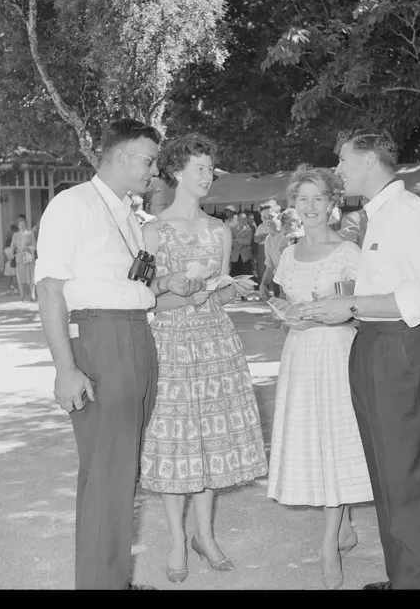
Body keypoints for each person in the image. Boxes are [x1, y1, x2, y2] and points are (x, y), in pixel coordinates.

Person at [35, 118, 202, 590]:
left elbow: (130, 284)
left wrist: (164, 285)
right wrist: (65, 369)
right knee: (107, 473)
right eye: (149, 160)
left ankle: (111, 578)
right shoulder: (73, 205)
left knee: (120, 471)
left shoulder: (128, 215)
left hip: (136, 337)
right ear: (122, 155)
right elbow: (49, 290)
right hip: (102, 341)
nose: (153, 171)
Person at [299, 130, 420, 590]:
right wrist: (344, 299)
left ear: (368, 159)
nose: (338, 169)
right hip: (373, 345)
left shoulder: (407, 211)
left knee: (408, 474)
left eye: (343, 160)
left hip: (399, 347)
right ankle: (404, 575)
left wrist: (352, 307)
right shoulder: (378, 215)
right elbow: (385, 283)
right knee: (385, 470)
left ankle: (416, 582)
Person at [139, 132, 267, 585]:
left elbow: (220, 291)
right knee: (177, 442)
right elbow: (144, 298)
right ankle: (177, 540)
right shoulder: (151, 231)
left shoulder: (221, 229)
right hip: (171, 342)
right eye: (200, 168)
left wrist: (233, 289)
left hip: (215, 341)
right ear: (176, 172)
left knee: (211, 439)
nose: (208, 176)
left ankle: (205, 535)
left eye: (211, 168)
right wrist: (177, 292)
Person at [267, 166, 373, 590]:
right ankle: (344, 525)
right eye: (302, 198)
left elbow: (361, 311)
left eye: (318, 199)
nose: (309, 207)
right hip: (299, 355)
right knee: (314, 441)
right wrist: (285, 315)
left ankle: (329, 542)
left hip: (336, 353)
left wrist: (331, 318)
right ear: (294, 203)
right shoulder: (288, 254)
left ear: (332, 204)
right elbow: (284, 305)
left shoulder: (349, 252)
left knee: (337, 440)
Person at [259, 201, 285, 300]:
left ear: (279, 216)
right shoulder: (268, 240)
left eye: (270, 217)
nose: (267, 221)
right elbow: (270, 267)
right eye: (264, 218)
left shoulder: (289, 235)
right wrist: (263, 284)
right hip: (283, 290)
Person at [12, 215, 37, 302]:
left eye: (23, 224)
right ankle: (22, 295)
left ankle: (32, 295)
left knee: (30, 277)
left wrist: (27, 247)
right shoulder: (15, 235)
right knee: (20, 277)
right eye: (20, 224)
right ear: (18, 225)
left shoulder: (30, 233)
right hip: (19, 258)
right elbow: (12, 246)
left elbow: (34, 245)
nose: (22, 226)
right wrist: (12, 253)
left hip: (28, 257)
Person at [230, 211, 254, 276]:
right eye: (242, 218)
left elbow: (248, 241)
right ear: (238, 219)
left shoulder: (249, 229)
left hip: (246, 257)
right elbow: (231, 241)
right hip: (235, 257)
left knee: (246, 276)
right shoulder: (232, 229)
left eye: (245, 218)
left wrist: (237, 240)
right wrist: (243, 242)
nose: (244, 220)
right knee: (235, 276)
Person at [3, 223, 19, 294]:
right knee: (15, 276)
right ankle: (16, 290)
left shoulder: (6, 249)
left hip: (8, 263)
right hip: (14, 262)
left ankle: (8, 290)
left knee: (9, 277)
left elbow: (5, 257)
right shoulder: (15, 237)